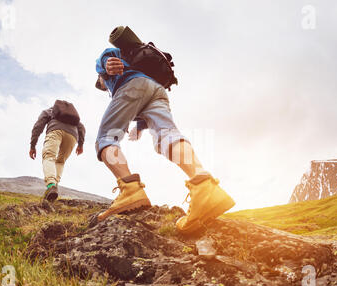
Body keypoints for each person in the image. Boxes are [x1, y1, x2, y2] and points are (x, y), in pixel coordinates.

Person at [95, 26, 235, 234]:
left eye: (101, 85)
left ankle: (130, 190)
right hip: (157, 91)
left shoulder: (110, 70)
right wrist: (141, 127)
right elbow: (143, 99)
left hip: (132, 85)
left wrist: (105, 67)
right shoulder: (140, 68)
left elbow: (106, 58)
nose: (103, 87)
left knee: (106, 139)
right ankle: (203, 185)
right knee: (167, 136)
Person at [29, 101, 85, 202]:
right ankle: (54, 187)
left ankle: (51, 185)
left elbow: (38, 126)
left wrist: (33, 145)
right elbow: (81, 128)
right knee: (60, 161)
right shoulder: (73, 117)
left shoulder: (49, 111)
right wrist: (80, 145)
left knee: (49, 156)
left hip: (55, 131)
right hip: (72, 136)